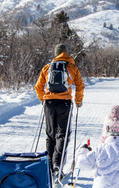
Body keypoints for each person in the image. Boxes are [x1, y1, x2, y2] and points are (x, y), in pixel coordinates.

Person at [34, 44, 85, 177]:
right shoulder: (72, 67)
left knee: (50, 135)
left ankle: (48, 166)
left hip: (49, 104)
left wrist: (43, 100)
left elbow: (38, 87)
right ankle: (58, 165)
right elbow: (80, 86)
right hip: (64, 103)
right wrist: (78, 101)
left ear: (56, 54)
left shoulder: (47, 67)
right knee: (62, 134)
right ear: (66, 53)